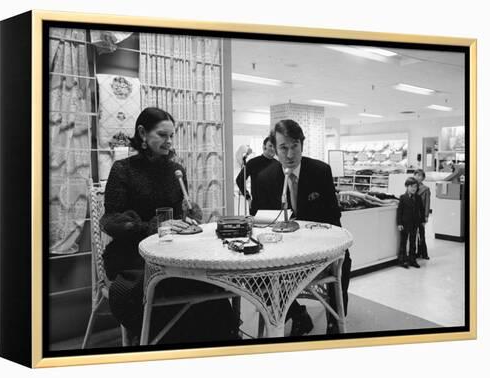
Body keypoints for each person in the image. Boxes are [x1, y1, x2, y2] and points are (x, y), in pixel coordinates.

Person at [101, 107, 239, 344]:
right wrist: (153, 227)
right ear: (143, 133)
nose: (169, 141)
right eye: (163, 135)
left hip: (170, 252)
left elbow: (177, 217)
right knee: (155, 286)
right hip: (132, 255)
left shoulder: (176, 170)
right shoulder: (123, 170)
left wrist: (189, 214)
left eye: (171, 136)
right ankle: (167, 342)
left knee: (208, 279)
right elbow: (111, 221)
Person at [255, 119, 352, 335]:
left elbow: (334, 217)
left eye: (294, 146)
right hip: (281, 252)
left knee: (344, 264)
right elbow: (259, 222)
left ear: (302, 144)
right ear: (274, 148)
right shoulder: (264, 178)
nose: (289, 155)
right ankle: (298, 314)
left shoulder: (321, 171)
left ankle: (334, 323)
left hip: (318, 249)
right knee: (256, 278)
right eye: (283, 148)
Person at [235, 136, 278, 215]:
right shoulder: (253, 162)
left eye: (275, 146)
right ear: (264, 147)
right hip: (257, 207)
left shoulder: (278, 164)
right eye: (270, 146)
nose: (273, 148)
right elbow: (239, 180)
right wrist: (248, 197)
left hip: (275, 208)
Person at [396, 177, 424, 269]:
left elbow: (421, 210)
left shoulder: (418, 198)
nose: (413, 188)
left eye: (415, 187)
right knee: (403, 242)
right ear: (407, 187)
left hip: (415, 224)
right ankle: (402, 260)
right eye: (411, 186)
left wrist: (422, 221)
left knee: (413, 242)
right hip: (404, 224)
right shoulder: (403, 198)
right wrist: (399, 223)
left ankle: (412, 260)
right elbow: (399, 212)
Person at [414, 169, 430, 260]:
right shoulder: (411, 186)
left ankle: (424, 253)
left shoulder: (426, 189)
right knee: (413, 234)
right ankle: (416, 252)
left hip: (421, 214)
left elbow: (427, 203)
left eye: (420, 176)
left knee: (421, 234)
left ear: (423, 178)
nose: (418, 177)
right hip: (412, 214)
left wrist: (426, 216)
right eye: (417, 175)